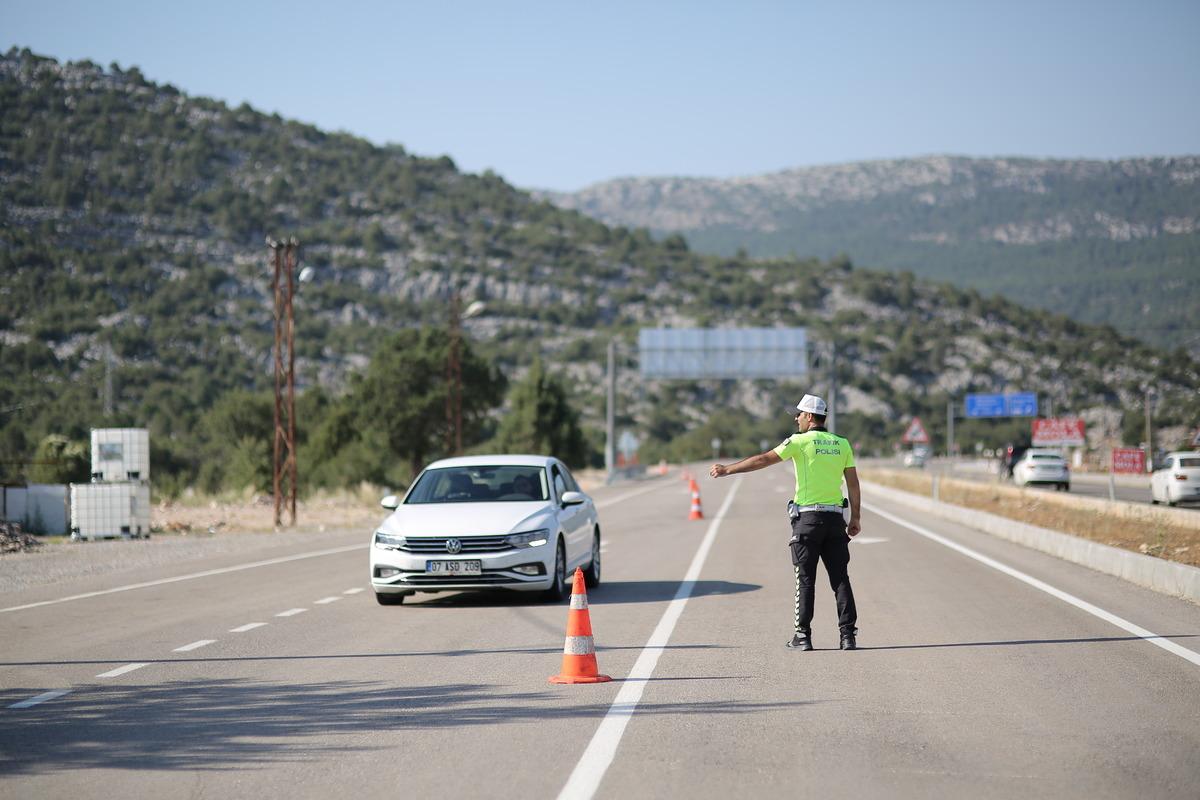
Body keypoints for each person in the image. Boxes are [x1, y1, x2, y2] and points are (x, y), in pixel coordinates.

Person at [709, 393, 861, 651]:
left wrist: (727, 470)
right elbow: (853, 484)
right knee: (840, 579)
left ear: (809, 417)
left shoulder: (799, 442)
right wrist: (855, 517)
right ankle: (848, 636)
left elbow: (763, 460)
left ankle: (803, 636)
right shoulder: (842, 444)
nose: (796, 419)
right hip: (836, 519)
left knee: (805, 580)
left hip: (808, 520)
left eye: (799, 414)